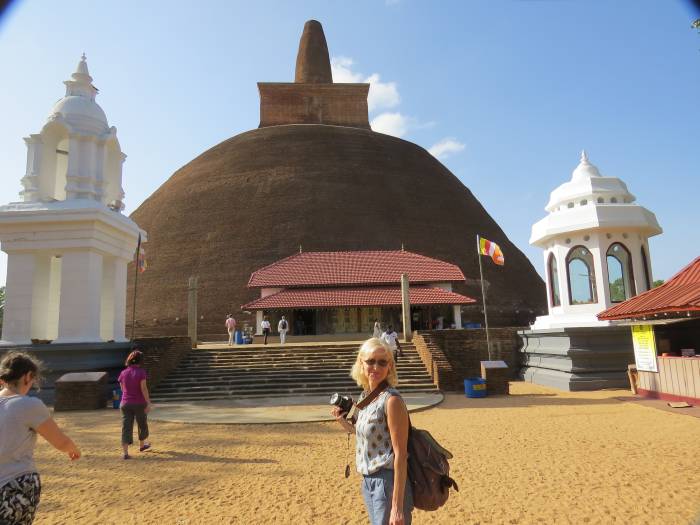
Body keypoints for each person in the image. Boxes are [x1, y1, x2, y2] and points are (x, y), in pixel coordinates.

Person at [331, 338, 413, 525]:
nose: (375, 367)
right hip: (368, 482)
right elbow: (366, 435)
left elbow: (401, 455)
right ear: (361, 363)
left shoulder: (391, 401)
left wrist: (397, 508)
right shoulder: (366, 396)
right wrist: (342, 421)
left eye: (382, 362)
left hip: (387, 483)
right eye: (370, 361)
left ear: (390, 366)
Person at [0, 352, 81, 525]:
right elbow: (61, 442)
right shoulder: (28, 404)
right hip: (15, 485)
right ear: (28, 376)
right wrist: (73, 449)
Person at [118, 350, 152, 460]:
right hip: (139, 402)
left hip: (125, 403)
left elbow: (122, 389)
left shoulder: (123, 373)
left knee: (126, 426)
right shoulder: (141, 372)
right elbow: (143, 388)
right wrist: (148, 402)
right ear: (140, 361)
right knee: (142, 423)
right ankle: (142, 446)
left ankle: (125, 453)